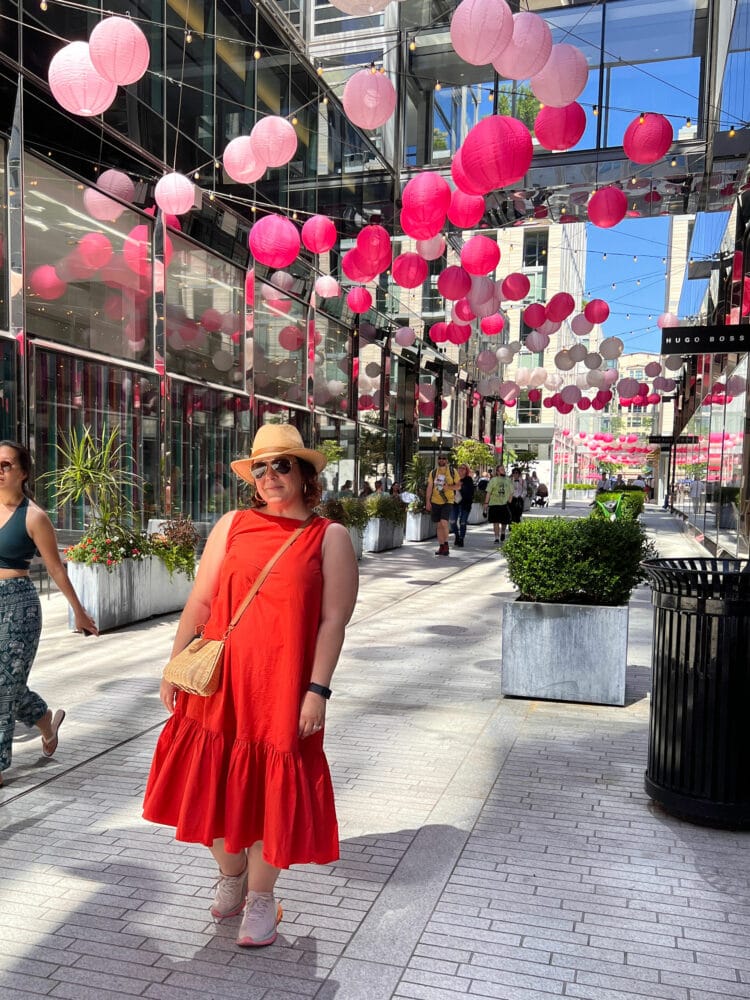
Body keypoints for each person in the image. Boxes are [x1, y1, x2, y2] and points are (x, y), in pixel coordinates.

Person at [143, 424, 359, 948]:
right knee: (211, 782)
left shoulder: (327, 537)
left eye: (281, 465)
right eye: (260, 468)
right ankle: (232, 876)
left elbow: (334, 622)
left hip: (282, 687)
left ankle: (262, 899)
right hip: (219, 682)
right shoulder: (233, 525)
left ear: (306, 474)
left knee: (270, 792)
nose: (268, 477)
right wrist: (175, 666)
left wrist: (317, 690)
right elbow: (200, 601)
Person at [0, 440, 99, 788]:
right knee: (7, 684)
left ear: (23, 472)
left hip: (19, 604)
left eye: (6, 465)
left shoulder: (34, 517)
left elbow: (57, 569)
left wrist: (80, 612)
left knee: (2, 685)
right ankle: (45, 721)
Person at [426, 453, 461, 556]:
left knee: (444, 522)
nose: (441, 460)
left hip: (448, 501)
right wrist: (427, 501)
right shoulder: (433, 473)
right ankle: (441, 546)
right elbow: (429, 487)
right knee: (439, 525)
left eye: (444, 459)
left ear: (447, 461)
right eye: (440, 458)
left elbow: (458, 486)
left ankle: (446, 545)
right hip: (435, 500)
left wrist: (448, 488)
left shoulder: (452, 471)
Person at [483, 464, 513, 547]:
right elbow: (488, 492)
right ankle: (496, 537)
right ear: (497, 472)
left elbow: (511, 491)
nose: (503, 470)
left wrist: (510, 500)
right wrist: (486, 503)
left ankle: (503, 531)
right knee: (495, 521)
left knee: (504, 521)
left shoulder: (508, 480)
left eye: (504, 469)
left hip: (504, 503)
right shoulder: (493, 480)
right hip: (494, 503)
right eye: (501, 469)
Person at [451, 463, 476, 547]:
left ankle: (461, 538)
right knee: (452, 522)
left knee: (463, 522)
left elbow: (469, 492)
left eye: (463, 468)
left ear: (466, 471)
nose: (461, 469)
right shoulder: (454, 478)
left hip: (465, 504)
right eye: (460, 468)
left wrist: (459, 487)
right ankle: (457, 536)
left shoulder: (468, 479)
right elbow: (449, 488)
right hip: (454, 503)